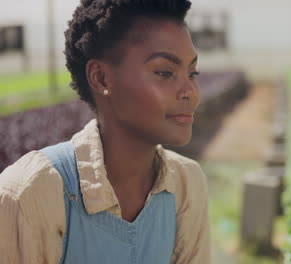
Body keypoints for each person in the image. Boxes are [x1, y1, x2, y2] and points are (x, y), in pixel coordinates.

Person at [0, 0, 211, 263]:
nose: (190, 92)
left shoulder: (186, 184)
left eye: (193, 72)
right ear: (101, 78)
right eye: (165, 72)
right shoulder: (32, 193)